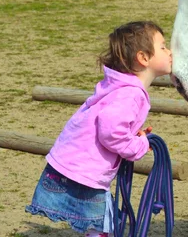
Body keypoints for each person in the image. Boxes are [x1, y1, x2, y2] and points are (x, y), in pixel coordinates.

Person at [25, 21, 172, 237]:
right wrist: (139, 146)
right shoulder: (130, 94)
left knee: (100, 226)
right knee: (101, 228)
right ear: (143, 58)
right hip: (85, 170)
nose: (169, 52)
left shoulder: (120, 87)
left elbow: (113, 125)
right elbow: (111, 133)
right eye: (163, 47)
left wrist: (133, 136)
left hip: (76, 163)